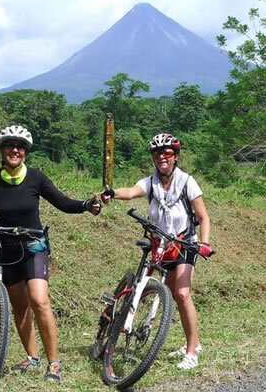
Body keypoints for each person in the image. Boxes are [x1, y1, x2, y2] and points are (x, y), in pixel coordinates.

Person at [0, 125, 100, 382]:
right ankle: (32, 357)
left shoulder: (36, 178)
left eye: (21, 147)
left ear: (26, 152)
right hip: (5, 248)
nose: (15, 150)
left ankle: (54, 364)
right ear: (2, 150)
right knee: (20, 307)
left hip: (34, 246)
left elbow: (62, 202)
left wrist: (86, 205)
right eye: (10, 145)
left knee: (39, 300)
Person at [100, 132, 213, 370]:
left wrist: (204, 243)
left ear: (176, 156)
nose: (162, 157)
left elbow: (203, 217)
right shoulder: (151, 182)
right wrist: (113, 194)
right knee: (169, 294)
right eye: (157, 153)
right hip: (161, 245)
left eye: (167, 152)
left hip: (184, 243)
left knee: (182, 293)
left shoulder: (187, 182)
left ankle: (192, 352)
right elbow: (131, 191)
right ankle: (194, 341)